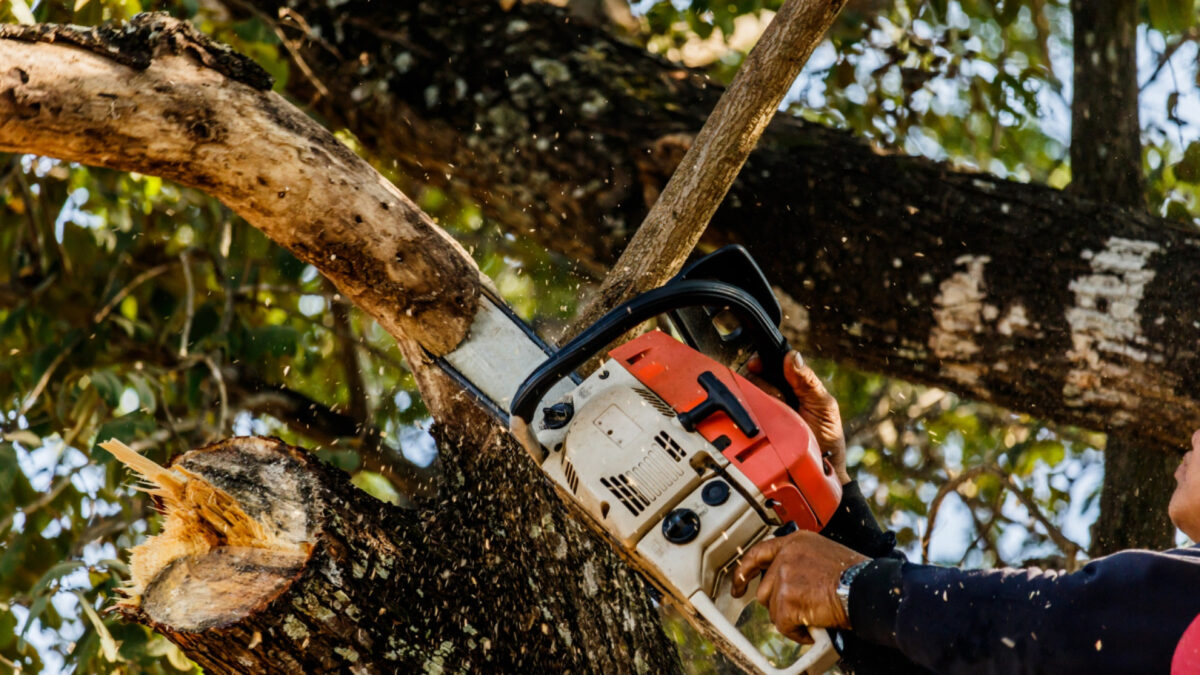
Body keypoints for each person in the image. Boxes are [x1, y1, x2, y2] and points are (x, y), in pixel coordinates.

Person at [737, 351, 1200, 674]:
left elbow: (1069, 621)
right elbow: (983, 655)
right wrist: (825, 494)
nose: (1194, 434)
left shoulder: (1144, 609)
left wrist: (852, 586)